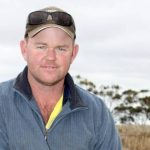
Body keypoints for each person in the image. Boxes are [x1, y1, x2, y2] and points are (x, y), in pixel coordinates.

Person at [0, 6, 122, 150]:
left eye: (61, 48)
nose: (51, 57)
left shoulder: (97, 113)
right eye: (41, 47)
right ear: (24, 49)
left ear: (73, 53)